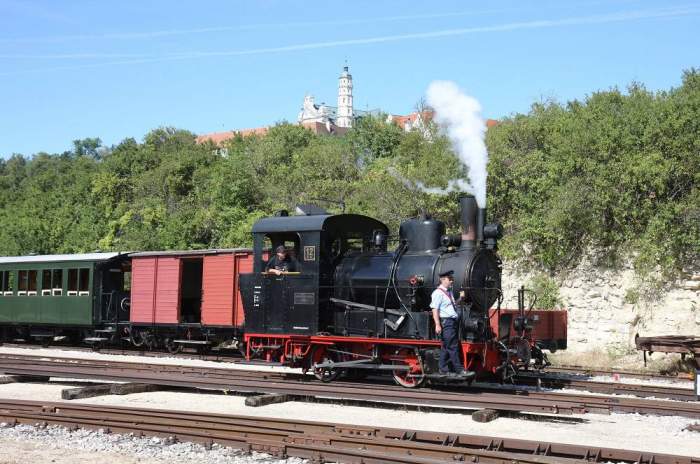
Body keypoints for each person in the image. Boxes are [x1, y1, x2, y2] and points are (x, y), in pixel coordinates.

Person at [430, 270, 466, 376]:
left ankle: (442, 370)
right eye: (450, 279)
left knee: (446, 347)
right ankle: (459, 370)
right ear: (443, 280)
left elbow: (452, 305)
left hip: (452, 322)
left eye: (452, 279)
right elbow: (434, 309)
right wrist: (437, 324)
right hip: (446, 322)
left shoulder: (449, 292)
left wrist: (461, 299)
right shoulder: (437, 293)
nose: (452, 281)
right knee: (453, 346)